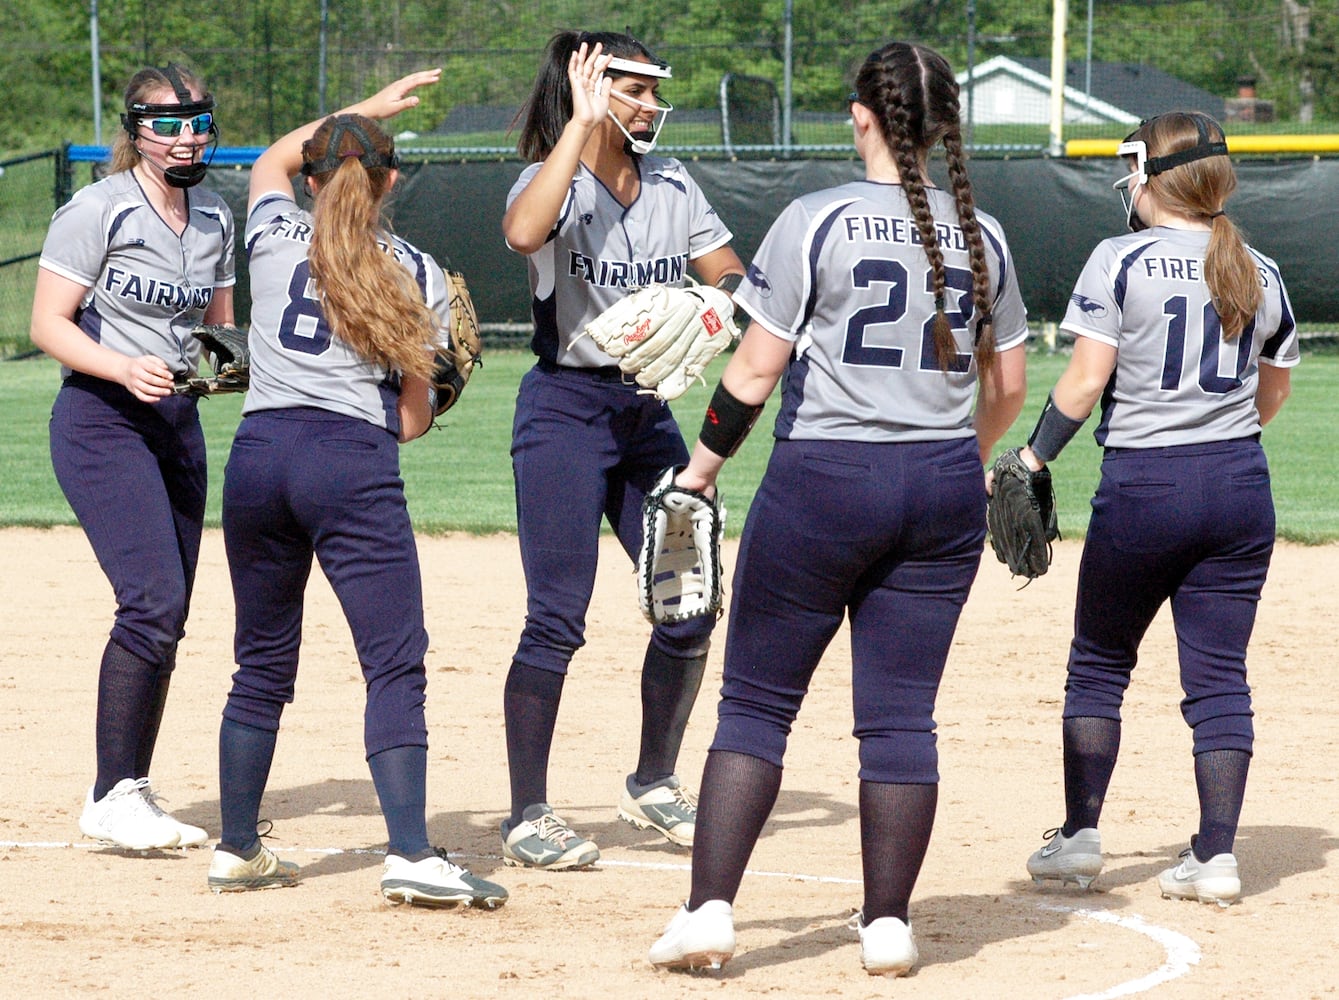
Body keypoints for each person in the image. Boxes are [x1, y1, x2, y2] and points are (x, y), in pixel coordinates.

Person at [647, 41, 1030, 976]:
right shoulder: (987, 235)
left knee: (756, 706)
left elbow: (754, 369)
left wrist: (698, 469)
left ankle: (707, 913)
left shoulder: (815, 218)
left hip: (823, 480)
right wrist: (959, 456)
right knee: (900, 718)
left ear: (860, 116)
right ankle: (889, 925)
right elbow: (1009, 384)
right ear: (945, 127)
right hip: (940, 485)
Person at [206, 70, 508, 911]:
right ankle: (410, 852)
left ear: (309, 180)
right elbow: (409, 424)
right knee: (393, 663)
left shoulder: (269, 233)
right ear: (390, 181)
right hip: (349, 465)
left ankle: (236, 847)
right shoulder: (413, 267)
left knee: (260, 661)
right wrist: (441, 389)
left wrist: (355, 114)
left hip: (259, 458)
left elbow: (268, 159)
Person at [1022, 111, 1297, 906]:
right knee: (1218, 680)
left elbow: (1081, 383)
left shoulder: (1120, 257)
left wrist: (1031, 455)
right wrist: (1215, 439)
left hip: (1145, 484)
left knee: (1099, 664)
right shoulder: (1258, 266)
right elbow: (1268, 395)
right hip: (1240, 484)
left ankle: (1077, 840)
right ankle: (1214, 856)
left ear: (1149, 173)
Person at [498, 30, 746, 869]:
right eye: (630, 90)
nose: (648, 105)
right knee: (556, 616)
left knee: (690, 598)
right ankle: (527, 811)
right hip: (564, 410)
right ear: (591, 90)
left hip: (647, 415)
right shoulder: (553, 176)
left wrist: (717, 308)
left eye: (650, 90)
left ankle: (652, 782)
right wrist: (579, 122)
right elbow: (523, 234)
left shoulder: (673, 183)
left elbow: (730, 274)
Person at [30, 63, 234, 851]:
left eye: (197, 120)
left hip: (176, 425)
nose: (185, 136)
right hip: (101, 420)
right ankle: (112, 793)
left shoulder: (214, 215)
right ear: (135, 129)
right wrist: (119, 365)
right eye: (166, 123)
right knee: (150, 599)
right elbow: (49, 323)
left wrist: (238, 364)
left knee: (171, 610)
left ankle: (128, 788)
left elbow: (218, 327)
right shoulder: (99, 209)